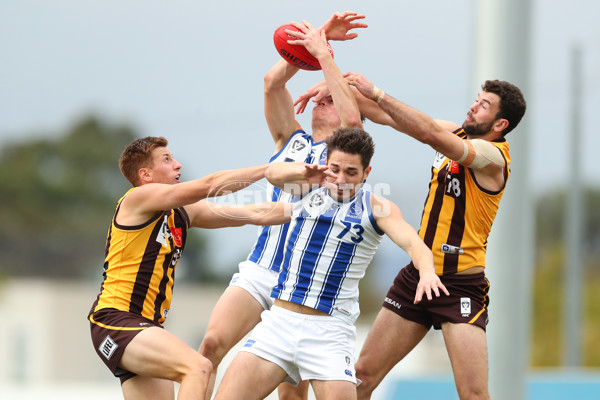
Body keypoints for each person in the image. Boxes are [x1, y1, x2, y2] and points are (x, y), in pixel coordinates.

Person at [198, 11, 368, 400]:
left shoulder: (345, 156)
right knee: (210, 345)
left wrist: (325, 57)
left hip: (305, 282)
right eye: (319, 96)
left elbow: (354, 119)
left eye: (331, 96)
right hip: (262, 267)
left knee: (291, 392)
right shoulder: (289, 138)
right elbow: (272, 81)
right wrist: (316, 38)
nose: (321, 100)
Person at [327, 73, 525, 399]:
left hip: (459, 284)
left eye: (484, 105)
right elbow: (383, 115)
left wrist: (377, 91)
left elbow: (426, 132)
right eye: (477, 98)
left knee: (473, 394)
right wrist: (330, 75)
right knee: (361, 376)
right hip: (417, 277)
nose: (474, 106)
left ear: (500, 124)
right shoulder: (454, 131)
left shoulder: (493, 157)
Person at [213, 128, 449, 400]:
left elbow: (413, 243)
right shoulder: (306, 188)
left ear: (366, 173)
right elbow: (272, 174)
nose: (340, 179)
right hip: (278, 324)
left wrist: (428, 272)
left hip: (329, 333)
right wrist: (304, 173)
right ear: (325, 163)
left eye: (351, 172)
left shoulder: (377, 208)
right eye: (334, 169)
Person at [87, 136, 293, 400]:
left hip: (146, 327)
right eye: (167, 160)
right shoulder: (136, 199)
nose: (178, 165)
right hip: (117, 320)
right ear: (145, 174)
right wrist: (267, 171)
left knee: (195, 371)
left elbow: (253, 213)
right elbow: (209, 185)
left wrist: (314, 208)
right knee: (199, 368)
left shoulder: (183, 212)